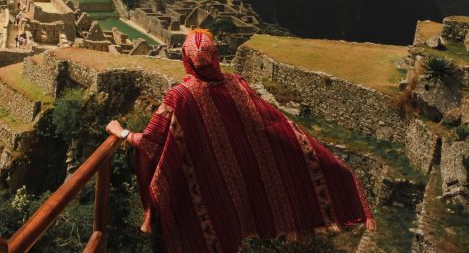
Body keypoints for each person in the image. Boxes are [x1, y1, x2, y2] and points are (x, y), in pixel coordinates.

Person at [106, 29, 374, 252]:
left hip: (193, 199)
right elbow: (276, 126)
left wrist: (121, 132)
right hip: (231, 199)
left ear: (186, 60)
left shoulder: (181, 97)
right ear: (215, 57)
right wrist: (329, 166)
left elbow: (151, 142)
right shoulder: (236, 85)